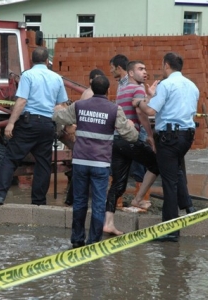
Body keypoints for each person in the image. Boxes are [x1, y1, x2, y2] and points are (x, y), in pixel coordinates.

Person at [53, 75, 138, 248]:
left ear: (91, 88)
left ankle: (77, 240)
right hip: (100, 164)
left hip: (80, 162)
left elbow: (58, 118)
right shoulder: (114, 109)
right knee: (99, 203)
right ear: (108, 91)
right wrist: (131, 127)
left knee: (80, 201)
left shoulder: (79, 106)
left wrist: (60, 112)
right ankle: (93, 242)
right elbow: (130, 136)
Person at [0, 47, 68, 205]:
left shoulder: (28, 75)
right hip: (48, 124)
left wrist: (11, 123)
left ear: (32, 61)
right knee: (43, 163)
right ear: (47, 61)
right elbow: (61, 105)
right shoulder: (57, 78)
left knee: (10, 158)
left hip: (29, 123)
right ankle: (39, 201)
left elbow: (21, 101)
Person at [134, 52, 199, 242]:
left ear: (166, 65)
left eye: (162, 65)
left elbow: (151, 110)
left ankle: (170, 230)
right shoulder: (192, 85)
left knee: (169, 183)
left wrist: (139, 102)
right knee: (175, 171)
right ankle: (187, 204)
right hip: (186, 136)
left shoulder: (166, 84)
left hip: (169, 137)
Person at [104, 60, 160, 236]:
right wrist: (150, 136)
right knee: (156, 165)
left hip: (118, 140)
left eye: (145, 68)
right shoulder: (137, 89)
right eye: (140, 69)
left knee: (118, 184)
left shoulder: (122, 89)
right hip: (130, 139)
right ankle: (138, 199)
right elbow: (141, 114)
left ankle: (108, 222)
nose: (145, 72)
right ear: (130, 73)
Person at [63, 68, 105, 206]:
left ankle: (72, 199)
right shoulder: (90, 94)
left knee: (81, 170)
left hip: (85, 138)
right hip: (88, 139)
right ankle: (75, 199)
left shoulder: (89, 93)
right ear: (91, 81)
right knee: (84, 170)